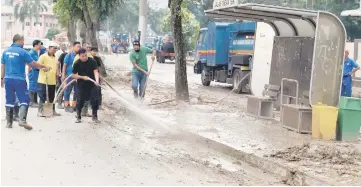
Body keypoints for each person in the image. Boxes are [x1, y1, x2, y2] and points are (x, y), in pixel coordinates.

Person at [1, 34, 51, 130]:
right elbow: (33, 63)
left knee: (9, 100)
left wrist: (1, 79)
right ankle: (22, 120)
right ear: (19, 41)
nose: (23, 43)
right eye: (23, 41)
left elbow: (2, 66)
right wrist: (44, 67)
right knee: (24, 99)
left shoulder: (5, 52)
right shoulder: (23, 52)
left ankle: (9, 123)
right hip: (19, 79)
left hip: (8, 79)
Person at [72, 48, 100, 123]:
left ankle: (95, 116)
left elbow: (96, 71)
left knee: (94, 99)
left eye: (85, 55)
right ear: (79, 56)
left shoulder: (92, 61)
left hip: (92, 83)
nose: (84, 57)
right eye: (82, 56)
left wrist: (96, 81)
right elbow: (74, 75)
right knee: (80, 100)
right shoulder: (77, 63)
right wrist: (82, 77)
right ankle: (78, 116)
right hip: (81, 84)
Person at [37, 46, 61, 117]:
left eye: (55, 49)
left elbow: (56, 69)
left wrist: (56, 79)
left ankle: (49, 112)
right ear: (49, 49)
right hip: (43, 80)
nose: (54, 50)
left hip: (52, 81)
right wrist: (43, 68)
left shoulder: (56, 58)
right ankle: (40, 112)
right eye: (53, 48)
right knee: (43, 96)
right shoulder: (43, 56)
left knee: (51, 97)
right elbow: (37, 65)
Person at [62, 41, 81, 113]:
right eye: (78, 46)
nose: (79, 48)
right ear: (73, 47)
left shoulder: (80, 56)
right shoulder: (69, 56)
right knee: (67, 91)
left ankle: (74, 106)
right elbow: (64, 66)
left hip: (78, 77)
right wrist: (63, 75)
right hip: (69, 77)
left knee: (77, 92)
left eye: (80, 46)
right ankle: (67, 106)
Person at [27, 40, 42, 107]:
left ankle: (35, 101)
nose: (40, 46)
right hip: (33, 72)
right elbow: (28, 62)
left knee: (36, 86)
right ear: (35, 45)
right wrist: (30, 67)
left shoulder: (36, 52)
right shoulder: (31, 53)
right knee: (32, 86)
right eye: (39, 45)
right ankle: (31, 102)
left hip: (36, 72)